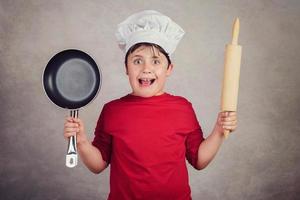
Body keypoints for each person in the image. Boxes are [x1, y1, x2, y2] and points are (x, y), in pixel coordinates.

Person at [63, 10, 237, 200]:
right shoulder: (112, 111)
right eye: (137, 61)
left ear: (169, 68)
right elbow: (98, 165)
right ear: (126, 68)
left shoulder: (182, 108)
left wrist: (219, 131)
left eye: (156, 61)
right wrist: (81, 142)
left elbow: (199, 160)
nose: (146, 69)